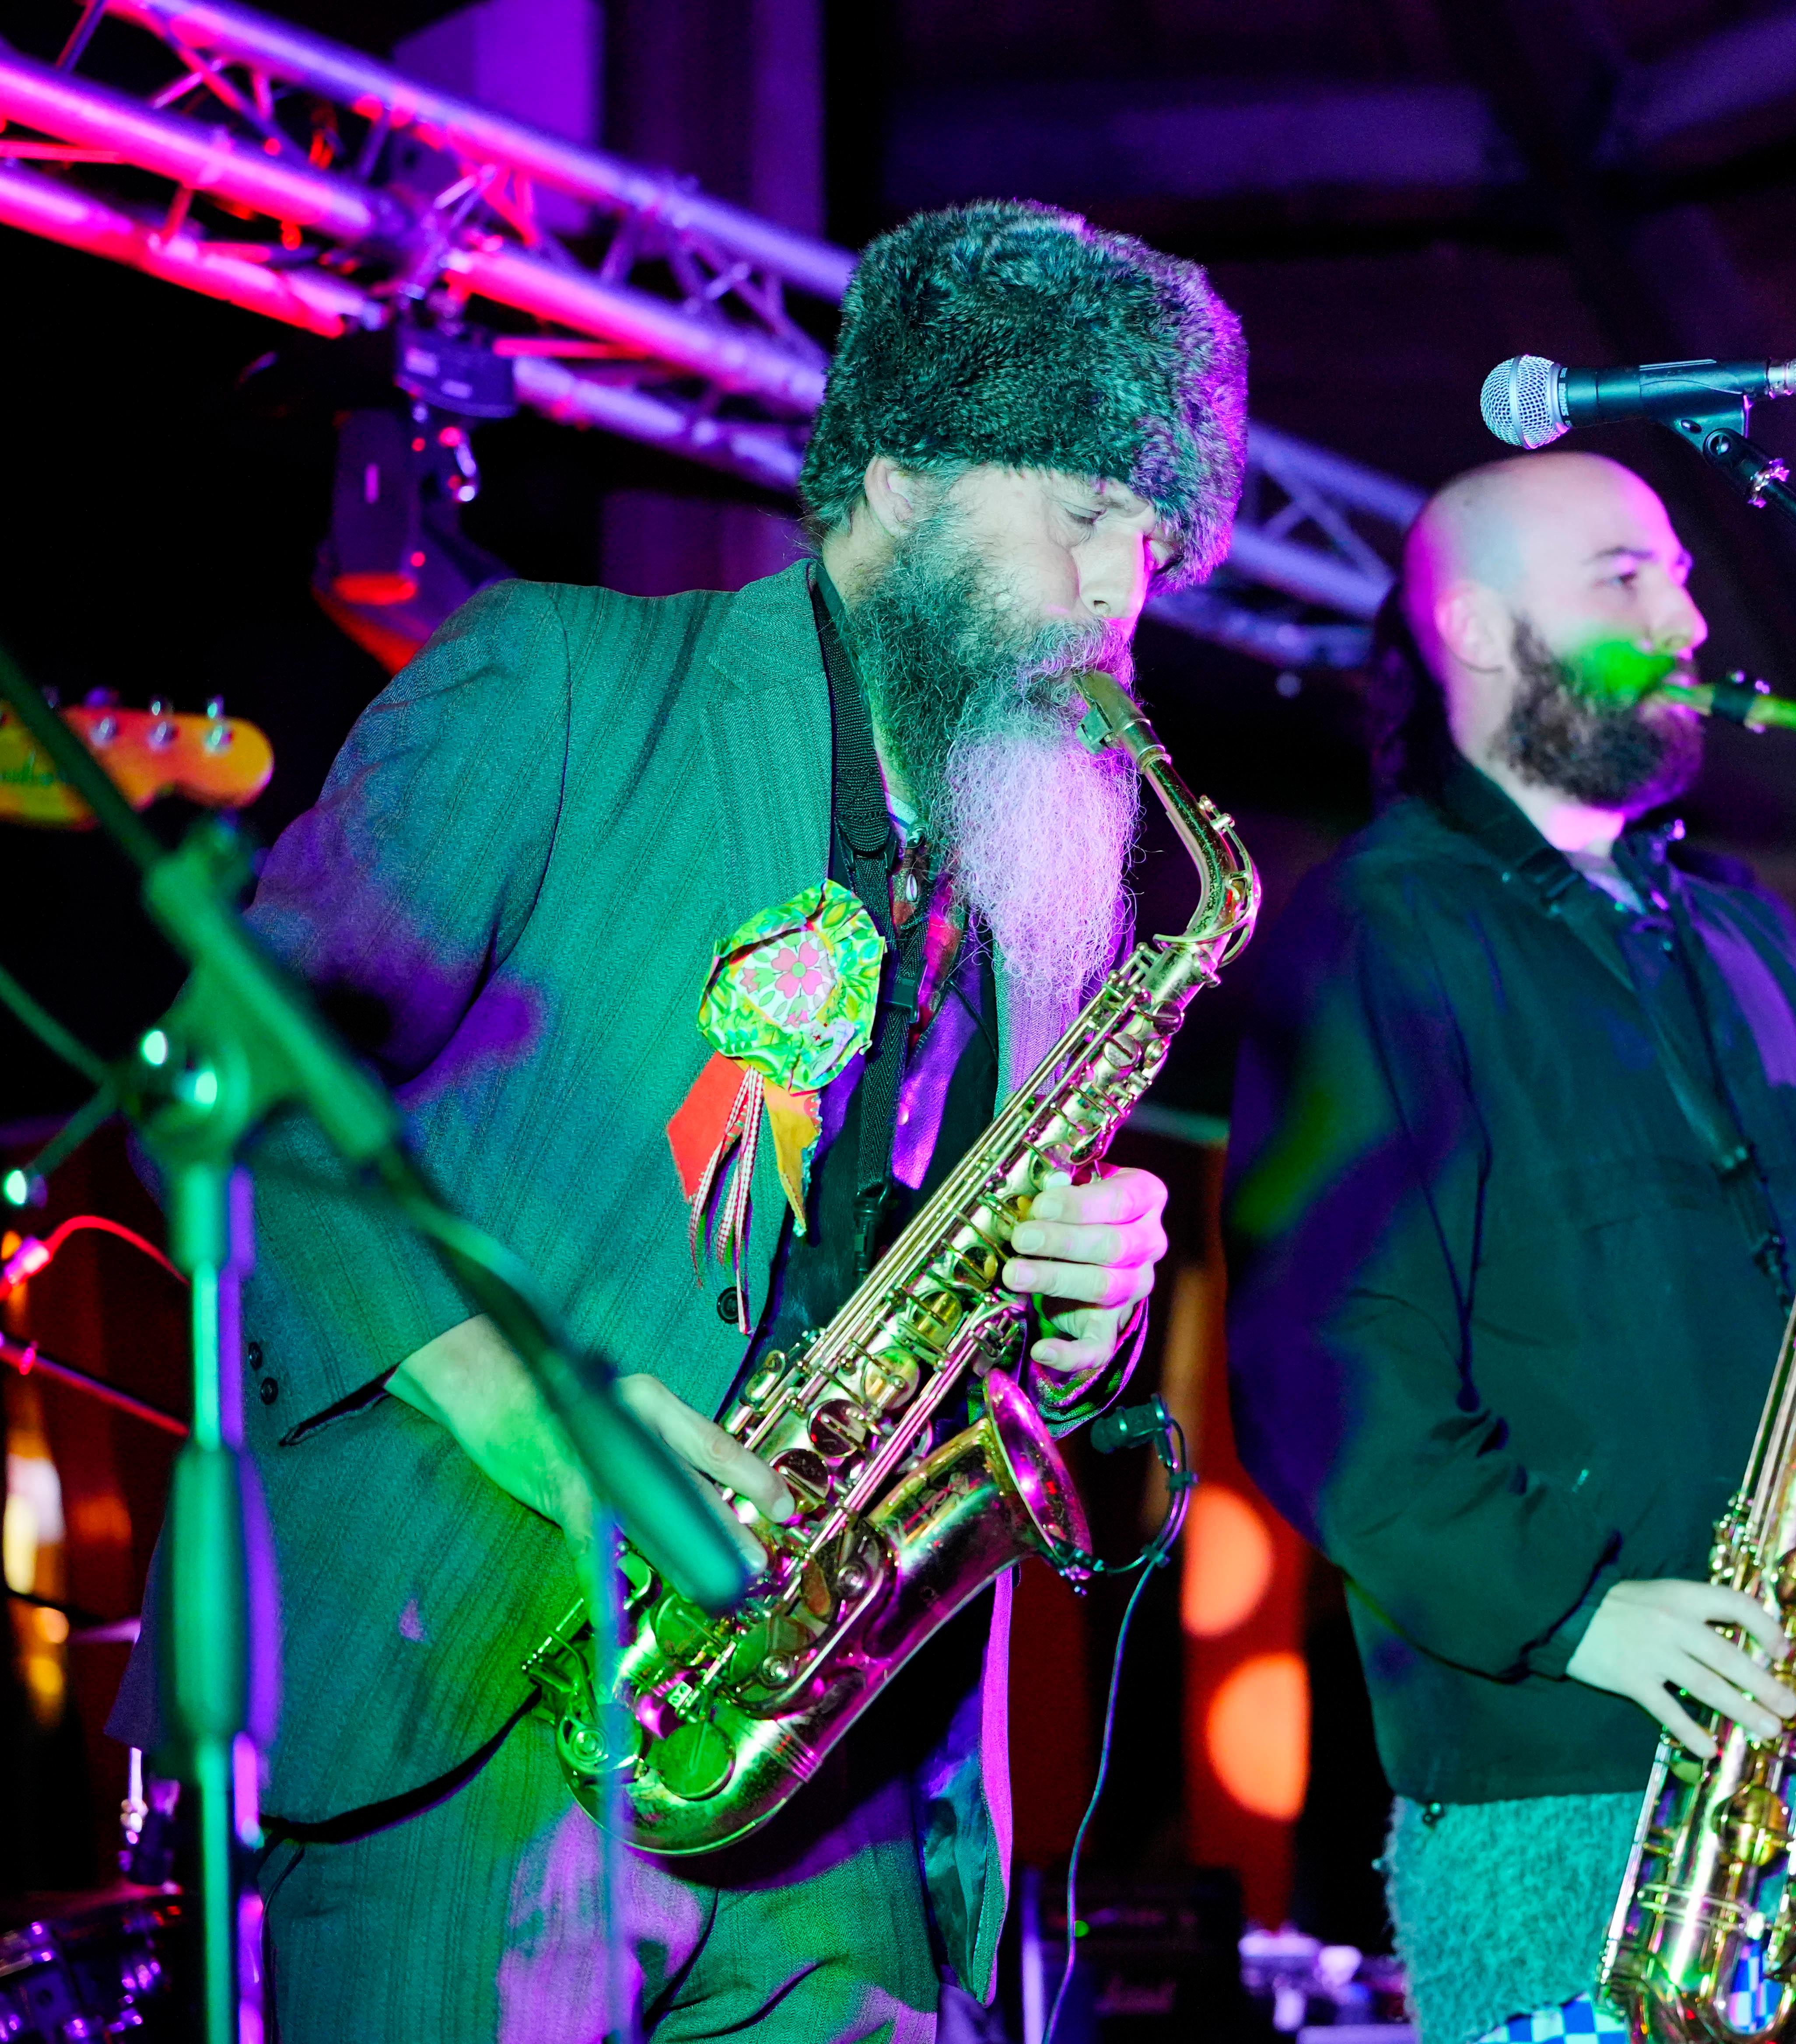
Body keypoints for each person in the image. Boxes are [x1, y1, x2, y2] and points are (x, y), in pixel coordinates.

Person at [110, 199, 1246, 2040]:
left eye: (1159, 541)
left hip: (844, 1774)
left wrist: (1086, 1299)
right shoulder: (552, 683)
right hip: (475, 1701)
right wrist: (531, 1407)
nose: (1127, 590)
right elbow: (233, 1100)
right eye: (1086, 514)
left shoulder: (1056, 883)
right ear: (899, 472)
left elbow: (969, 1328)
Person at [1224, 449, 1796, 2044]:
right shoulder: (1371, 932)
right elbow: (1328, 1387)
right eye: (1622, 578)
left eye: (1673, 571)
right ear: (1471, 625)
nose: (1683, 614)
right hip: (1586, 1808)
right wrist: (1585, 1613)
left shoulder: (1741, 930)